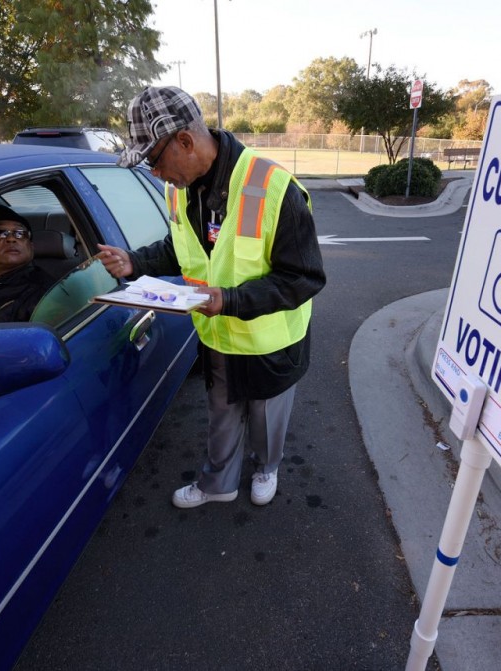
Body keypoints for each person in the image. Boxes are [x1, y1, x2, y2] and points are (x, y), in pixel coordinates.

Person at [96, 85, 326, 508]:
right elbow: (181, 247)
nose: (155, 173)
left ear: (185, 141)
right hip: (217, 336)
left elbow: (304, 278)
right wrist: (135, 262)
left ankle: (267, 467)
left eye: (153, 160)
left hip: (271, 343)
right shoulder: (178, 187)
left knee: (266, 418)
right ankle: (218, 484)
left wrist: (229, 300)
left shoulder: (275, 188)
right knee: (221, 414)